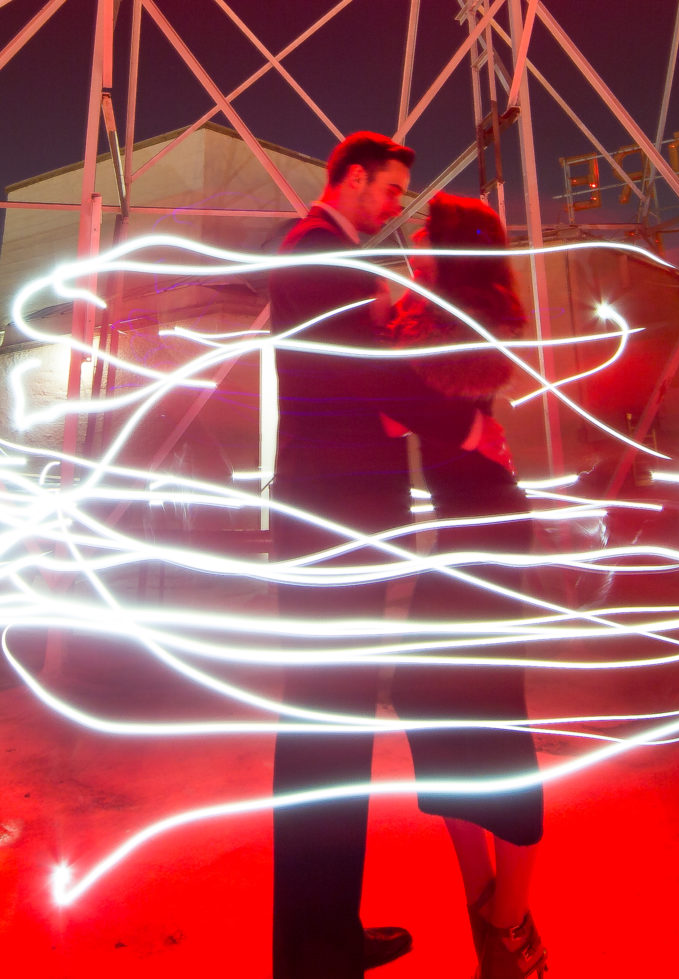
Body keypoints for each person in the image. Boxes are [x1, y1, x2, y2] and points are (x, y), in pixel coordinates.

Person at [381, 193, 550, 979]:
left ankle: (508, 915)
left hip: (486, 530)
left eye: (424, 233)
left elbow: (407, 401)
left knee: (489, 716)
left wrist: (386, 335)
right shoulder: (426, 315)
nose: (410, 239)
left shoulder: (468, 320)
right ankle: (488, 910)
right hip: (462, 529)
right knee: (426, 697)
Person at [267, 131, 420, 978]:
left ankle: (323, 933)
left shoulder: (322, 255)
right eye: (392, 190)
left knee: (330, 729)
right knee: (328, 729)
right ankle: (316, 950)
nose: (398, 207)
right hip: (335, 518)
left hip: (333, 513)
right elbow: (368, 378)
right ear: (353, 179)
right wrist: (455, 411)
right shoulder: (319, 251)